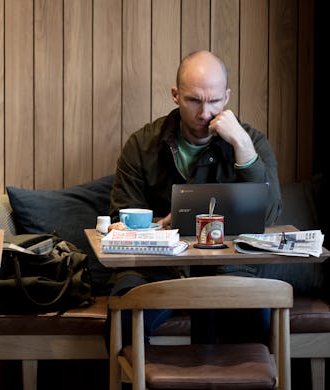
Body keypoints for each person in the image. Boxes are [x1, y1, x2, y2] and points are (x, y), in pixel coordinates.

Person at [108, 50, 282, 344]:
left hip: (229, 266)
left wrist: (241, 144)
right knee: (123, 317)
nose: (205, 114)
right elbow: (120, 221)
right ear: (175, 95)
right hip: (155, 267)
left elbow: (269, 217)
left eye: (214, 101)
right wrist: (162, 227)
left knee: (252, 317)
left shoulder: (251, 141)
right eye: (194, 100)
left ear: (226, 97)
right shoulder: (141, 145)